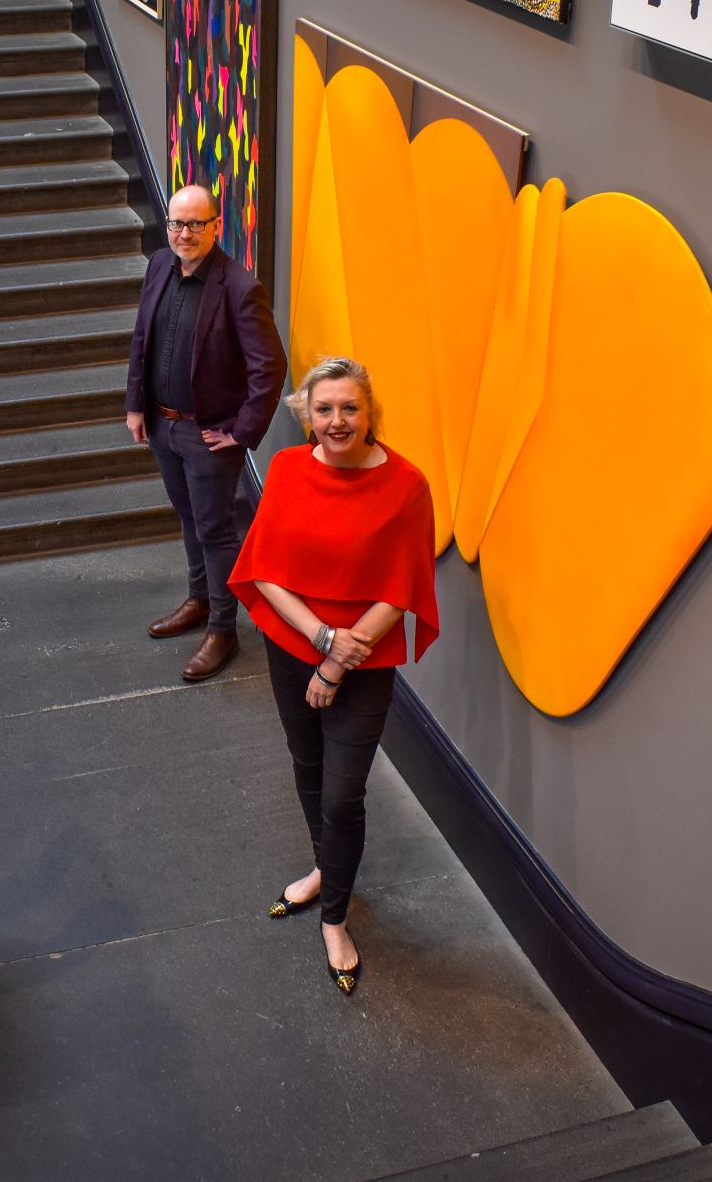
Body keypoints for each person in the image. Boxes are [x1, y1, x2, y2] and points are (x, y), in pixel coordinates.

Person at [228, 358, 439, 995]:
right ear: (307, 416)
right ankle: (327, 867)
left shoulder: (406, 485)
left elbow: (399, 589)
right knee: (307, 765)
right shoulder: (290, 470)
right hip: (292, 647)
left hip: (363, 663)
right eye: (324, 409)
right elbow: (265, 569)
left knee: (343, 794)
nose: (337, 420)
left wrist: (336, 661)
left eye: (350, 407)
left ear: (370, 412)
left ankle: (336, 917)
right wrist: (319, 640)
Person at [125, 184, 284, 682]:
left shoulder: (239, 288)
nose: (184, 233)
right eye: (176, 223)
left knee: (216, 530)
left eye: (196, 224)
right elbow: (142, 338)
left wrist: (242, 431)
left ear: (217, 225)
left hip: (209, 435)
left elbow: (270, 367)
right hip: (162, 423)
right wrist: (136, 406)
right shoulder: (158, 266)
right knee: (188, 516)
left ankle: (223, 629)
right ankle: (197, 600)